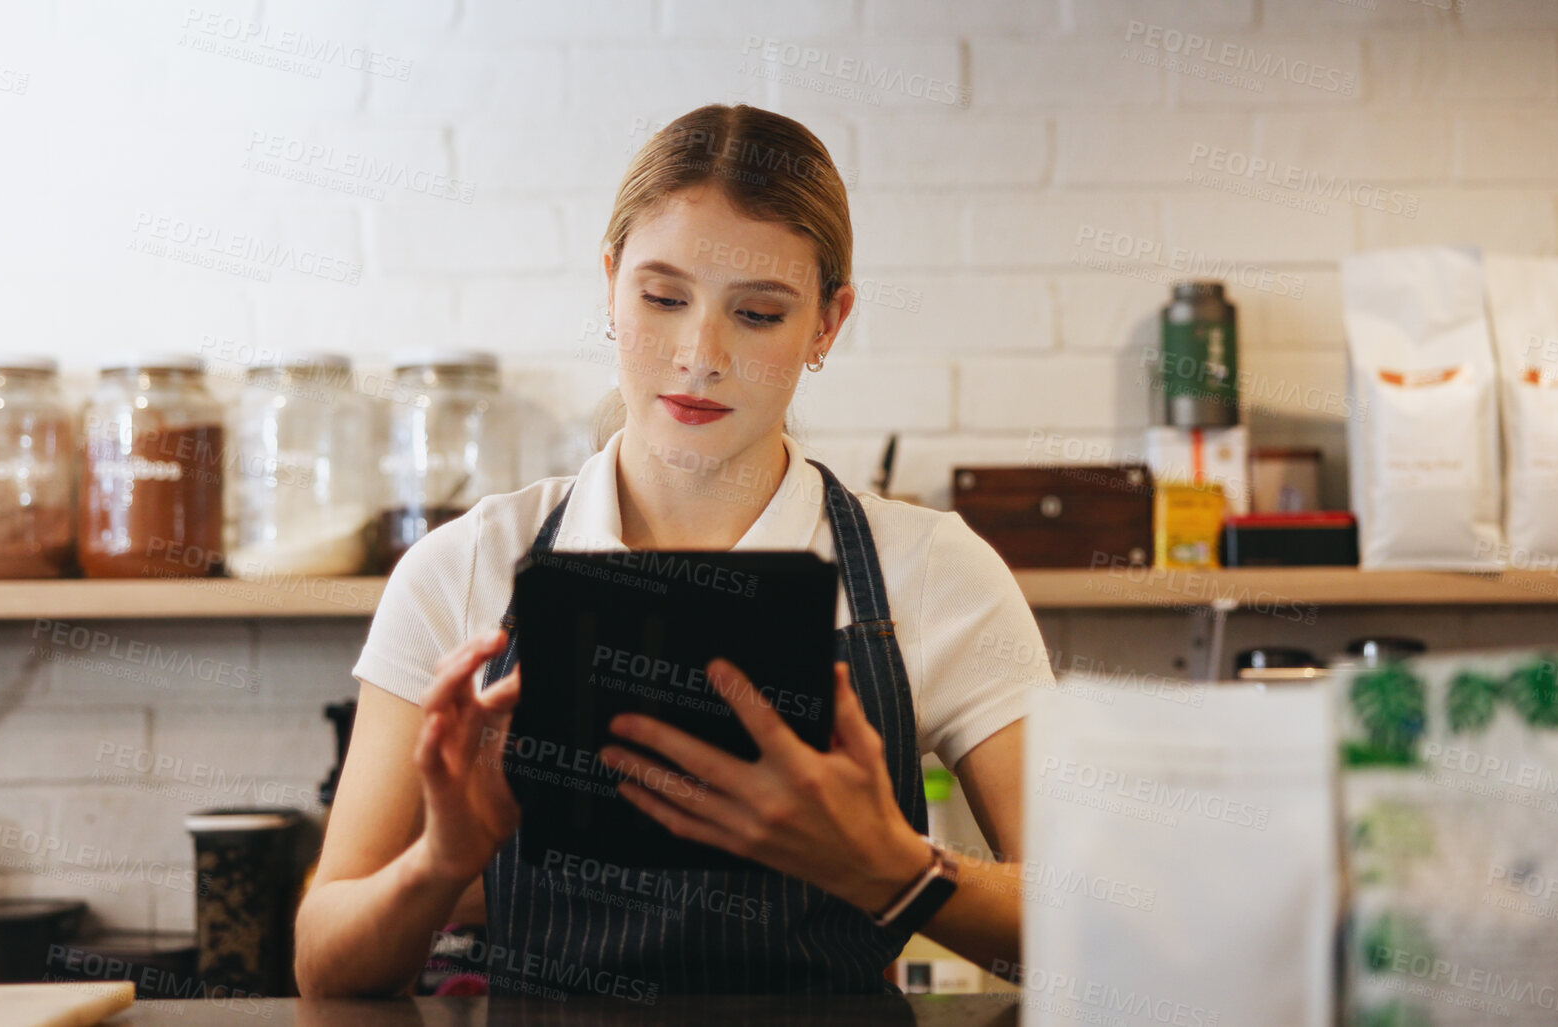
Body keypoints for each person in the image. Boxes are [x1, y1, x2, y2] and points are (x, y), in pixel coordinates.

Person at [294, 103, 1056, 999]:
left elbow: (1087, 928)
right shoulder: (461, 567)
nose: (699, 355)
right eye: (662, 298)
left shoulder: (931, 570)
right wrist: (439, 863)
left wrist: (899, 870)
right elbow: (324, 965)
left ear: (826, 324)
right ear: (610, 285)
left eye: (760, 314)